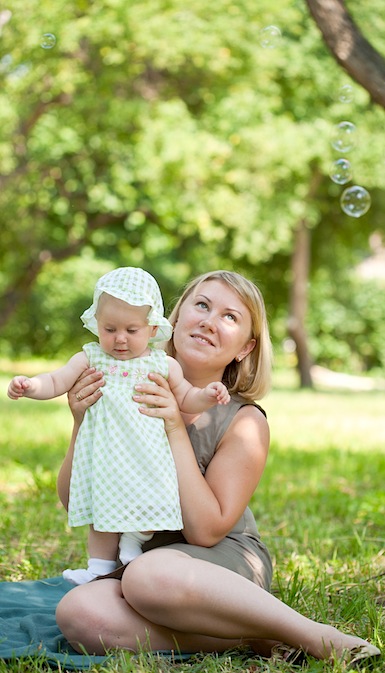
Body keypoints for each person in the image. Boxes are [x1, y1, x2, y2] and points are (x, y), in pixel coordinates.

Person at [55, 270, 380, 667]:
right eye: (202, 305)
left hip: (219, 565)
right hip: (146, 570)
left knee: (148, 575)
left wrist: (174, 425)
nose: (209, 321)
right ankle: (250, 636)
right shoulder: (119, 386)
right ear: (171, 320)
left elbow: (206, 532)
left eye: (230, 317)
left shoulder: (243, 421)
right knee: (79, 614)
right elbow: (75, 501)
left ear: (245, 348)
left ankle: (317, 637)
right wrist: (80, 424)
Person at [7, 267, 230, 585]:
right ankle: (97, 567)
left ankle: (135, 540)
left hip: (147, 458)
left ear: (152, 329)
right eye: (110, 328)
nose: (120, 338)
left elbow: (186, 398)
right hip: (105, 454)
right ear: (96, 324)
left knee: (152, 502)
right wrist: (31, 386)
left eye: (131, 329)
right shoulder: (91, 357)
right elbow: (57, 380)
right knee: (101, 513)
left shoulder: (161, 364)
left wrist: (207, 395)